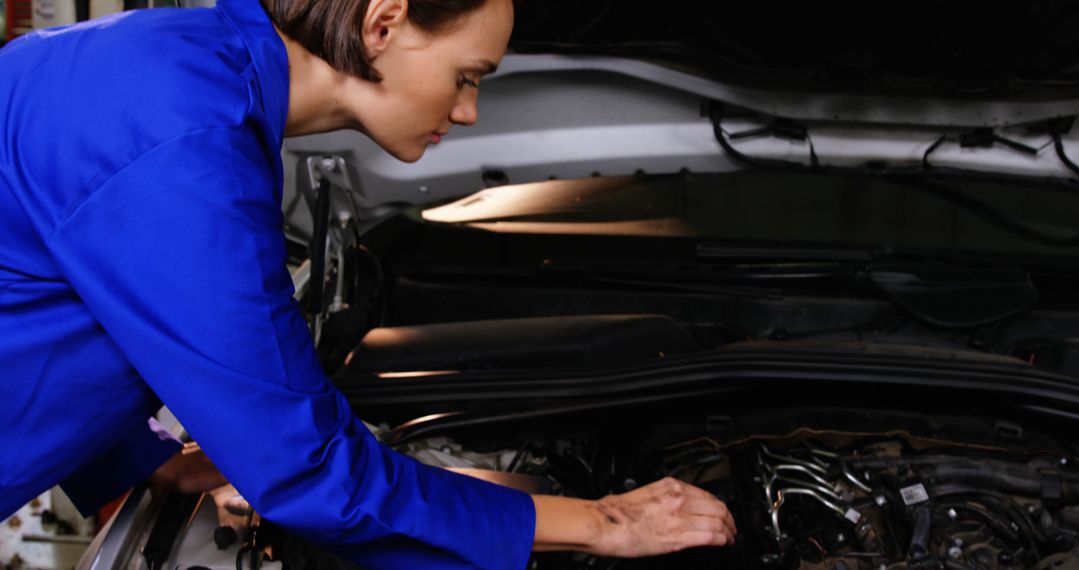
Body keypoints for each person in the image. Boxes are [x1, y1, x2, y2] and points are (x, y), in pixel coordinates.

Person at [0, 0, 737, 566]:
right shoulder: (186, 146)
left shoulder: (178, 71)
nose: (468, 110)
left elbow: (44, 292)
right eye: (467, 76)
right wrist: (602, 523)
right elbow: (312, 473)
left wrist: (146, 460)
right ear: (382, 22)